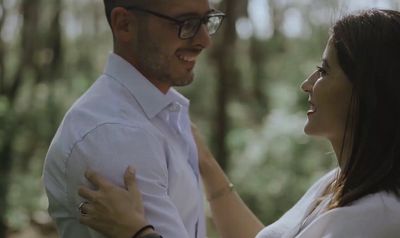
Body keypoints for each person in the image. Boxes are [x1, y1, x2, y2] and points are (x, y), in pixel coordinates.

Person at [76, 9, 400, 238]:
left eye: (324, 71)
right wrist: (207, 165)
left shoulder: (379, 217)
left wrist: (137, 232)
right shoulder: (337, 182)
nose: (307, 83)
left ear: (368, 92)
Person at [42, 0, 225, 237]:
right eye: (186, 23)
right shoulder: (116, 135)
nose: (205, 41)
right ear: (125, 24)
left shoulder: (164, 115)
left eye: (206, 22)